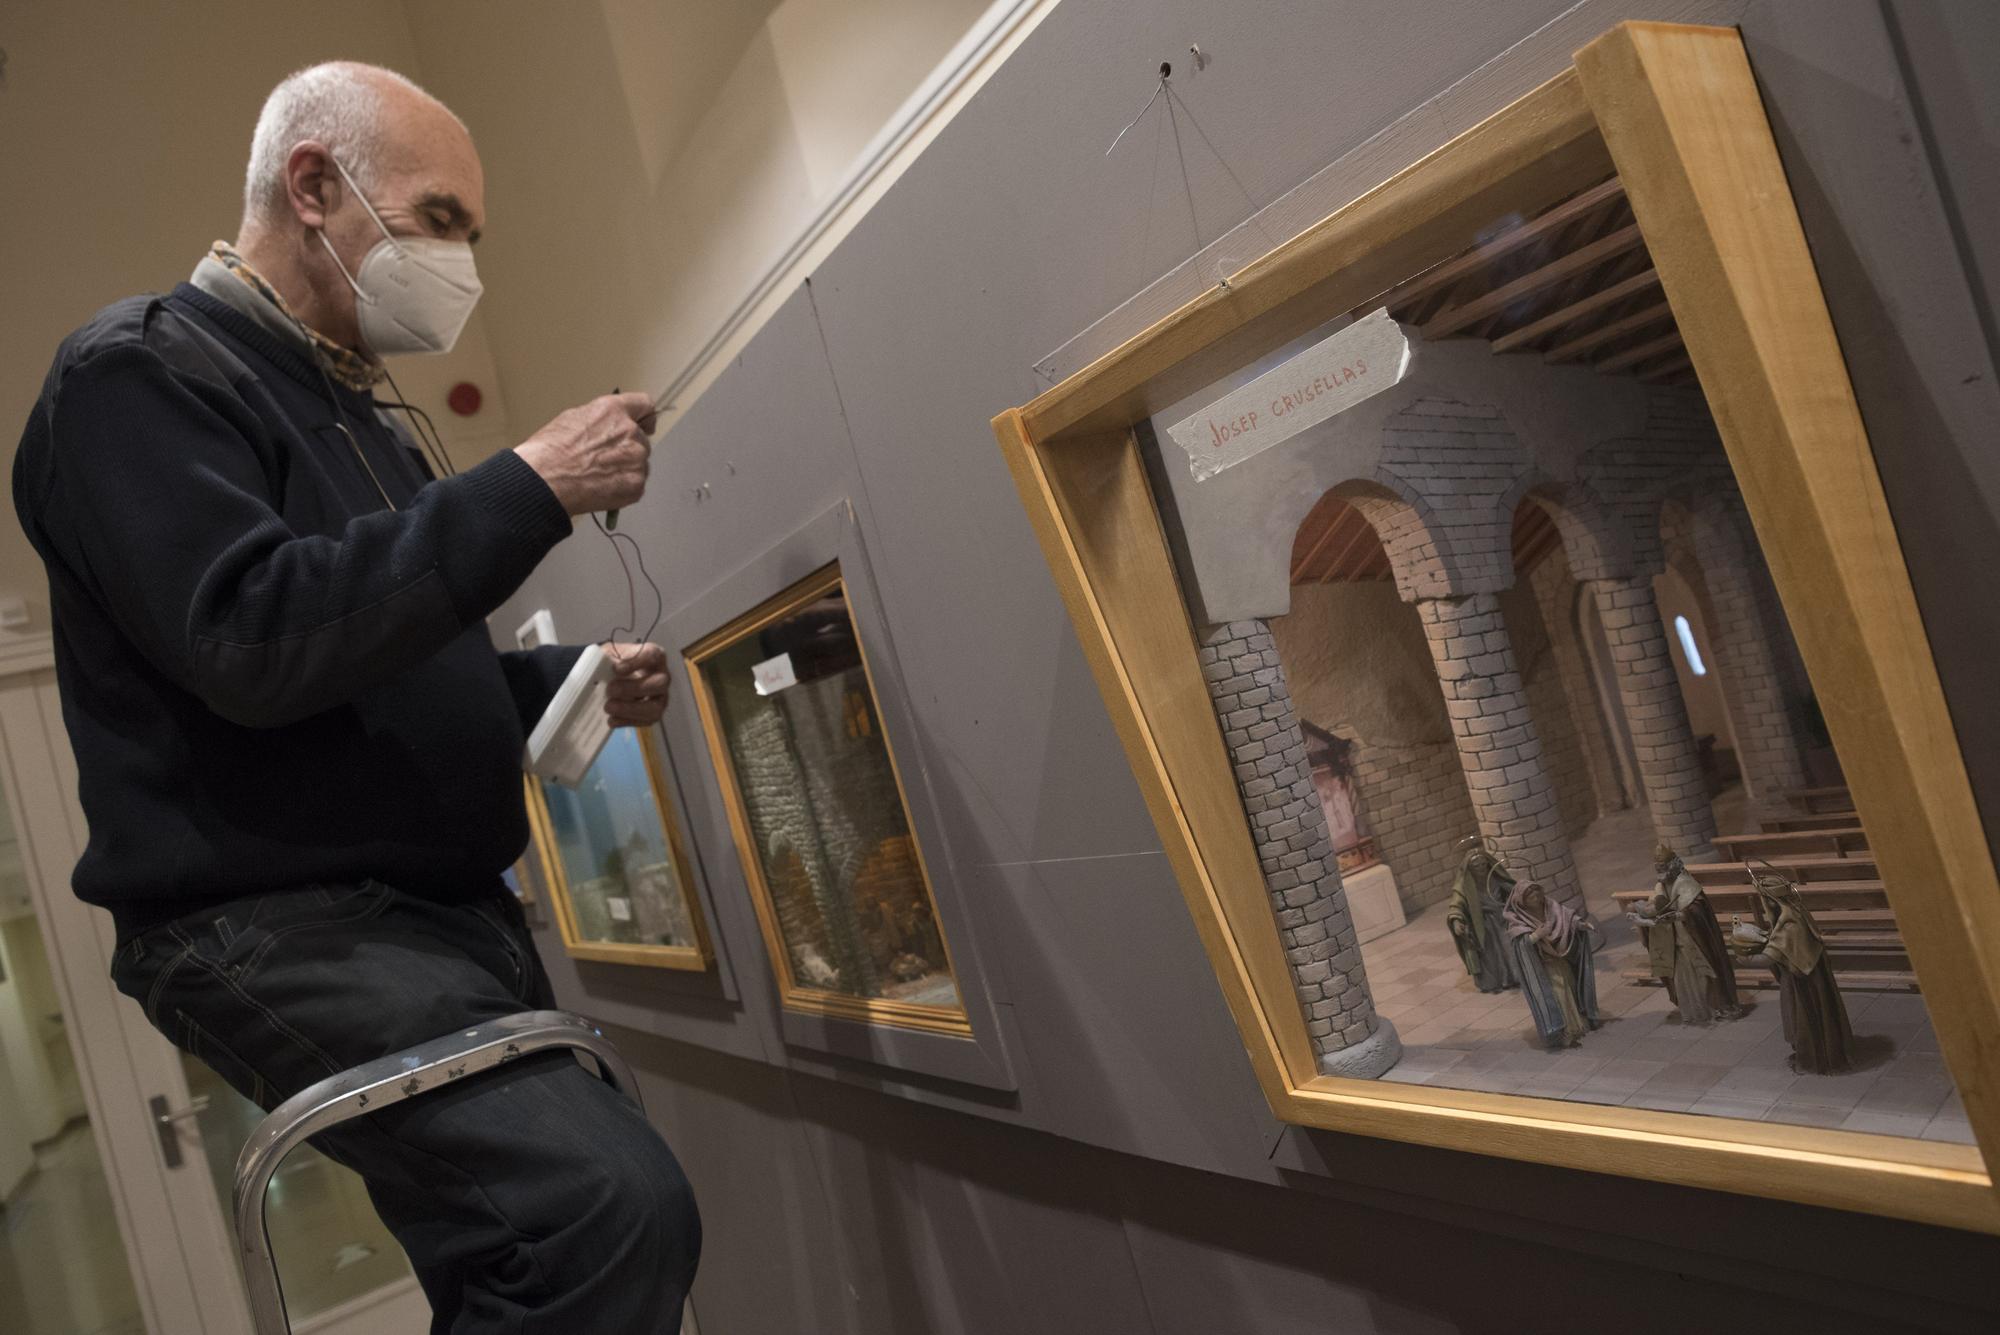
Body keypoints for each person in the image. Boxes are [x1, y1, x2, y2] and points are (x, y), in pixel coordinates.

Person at [12, 62, 697, 1332]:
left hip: (427, 918)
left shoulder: (360, 418)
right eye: (441, 220)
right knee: (598, 1208)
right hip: (277, 918)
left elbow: (385, 668)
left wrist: (566, 679)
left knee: (527, 1249)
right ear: (315, 185)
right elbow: (256, 637)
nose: (463, 265)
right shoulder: (138, 376)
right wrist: (530, 484)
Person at [1736, 867, 1855, 1074]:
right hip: (1807, 977)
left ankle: (1813, 1058)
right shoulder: (1795, 911)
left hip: (1803, 983)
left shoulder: (1789, 925)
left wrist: (1742, 956)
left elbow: (1769, 956)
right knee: (1803, 1018)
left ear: (1771, 901)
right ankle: (1813, 1052)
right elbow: (1779, 941)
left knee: (1803, 1020)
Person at [1629, 842, 1742, 1024]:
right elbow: (1657, 904)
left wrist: (1678, 916)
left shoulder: (1686, 883)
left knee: (1704, 975)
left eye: (1663, 868)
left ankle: (1715, 1007)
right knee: (1683, 979)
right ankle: (1694, 1012)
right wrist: (1641, 910)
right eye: (1658, 869)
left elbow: (1696, 912)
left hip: (1694, 940)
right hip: (1675, 941)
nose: (1661, 874)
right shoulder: (1662, 884)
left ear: (1672, 866)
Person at [1503, 881, 1599, 1049]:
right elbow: (1520, 945)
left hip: (1560, 959)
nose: (1536, 898)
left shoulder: (1550, 906)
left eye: (1537, 893)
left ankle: (1578, 1025)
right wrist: (1536, 936)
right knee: (1559, 996)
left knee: (1570, 990)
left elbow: (1566, 918)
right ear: (1522, 900)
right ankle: (1564, 1033)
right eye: (1531, 896)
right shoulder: (1517, 920)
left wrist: (1581, 925)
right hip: (1543, 966)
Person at [1445, 837, 1516, 993]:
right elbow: (1456, 904)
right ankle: (1497, 981)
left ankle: (1515, 977)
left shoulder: (1495, 877)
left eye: (1483, 864)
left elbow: (1512, 889)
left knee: (1508, 949)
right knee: (1492, 954)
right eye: (1476, 866)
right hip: (1482, 925)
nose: (1481, 868)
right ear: (1470, 868)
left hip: (1502, 919)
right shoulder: (1465, 885)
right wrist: (1457, 921)